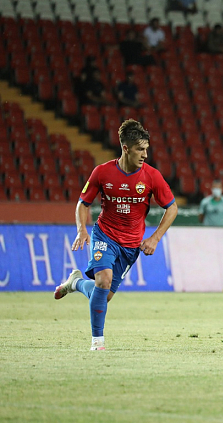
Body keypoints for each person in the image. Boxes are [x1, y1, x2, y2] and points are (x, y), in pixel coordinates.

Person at [54, 119, 178, 351]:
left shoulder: (152, 176)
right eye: (140, 149)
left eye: (146, 149)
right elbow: (83, 203)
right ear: (125, 148)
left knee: (104, 294)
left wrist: (155, 238)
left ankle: (75, 283)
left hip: (130, 246)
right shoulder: (102, 172)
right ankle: (97, 342)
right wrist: (82, 229)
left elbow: (172, 208)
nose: (145, 155)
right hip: (104, 235)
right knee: (103, 280)